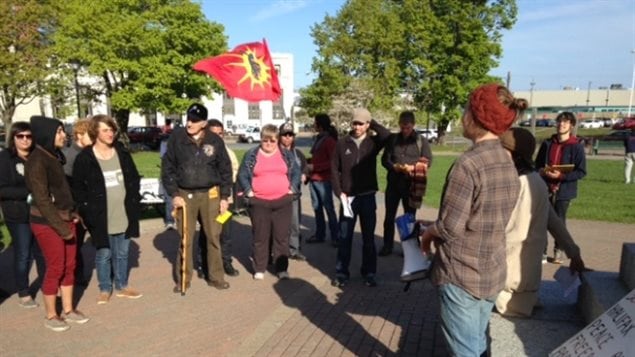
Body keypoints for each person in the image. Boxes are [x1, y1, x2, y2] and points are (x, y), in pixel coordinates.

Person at [420, 83, 524, 356]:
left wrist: (429, 232)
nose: (462, 115)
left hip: (462, 275)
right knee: (476, 343)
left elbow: (450, 228)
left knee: (465, 350)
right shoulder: (506, 159)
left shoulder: (468, 163)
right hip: (491, 270)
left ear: (476, 116)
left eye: (466, 109)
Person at [496, 127, 587, 317]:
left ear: (515, 154)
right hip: (521, 280)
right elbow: (554, 222)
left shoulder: (524, 183)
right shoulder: (535, 179)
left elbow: (516, 233)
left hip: (511, 285)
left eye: (501, 149)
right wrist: (574, 252)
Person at [25, 115, 89, 332]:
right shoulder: (36, 160)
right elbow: (42, 200)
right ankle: (51, 314)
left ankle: (69, 309)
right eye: (60, 131)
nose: (64, 135)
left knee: (70, 265)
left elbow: (63, 191)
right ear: (47, 134)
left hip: (66, 217)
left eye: (63, 130)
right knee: (55, 266)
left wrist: (74, 214)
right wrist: (61, 228)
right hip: (47, 222)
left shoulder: (55, 156)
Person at [161, 103, 232, 293]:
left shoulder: (214, 140)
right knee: (186, 238)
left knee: (213, 236)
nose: (189, 123)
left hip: (211, 194)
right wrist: (174, 195)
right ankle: (183, 279)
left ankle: (216, 277)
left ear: (204, 123)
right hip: (185, 194)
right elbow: (167, 169)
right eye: (188, 118)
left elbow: (225, 169)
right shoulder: (177, 138)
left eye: (194, 120)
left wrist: (225, 196)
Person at [72, 115, 143, 304]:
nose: (110, 133)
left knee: (122, 252)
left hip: (124, 211)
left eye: (112, 130)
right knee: (104, 253)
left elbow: (134, 178)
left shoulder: (121, 152)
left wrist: (134, 200)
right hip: (100, 215)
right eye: (105, 130)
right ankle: (105, 287)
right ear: (96, 132)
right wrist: (85, 210)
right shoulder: (85, 158)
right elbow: (78, 189)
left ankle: (122, 285)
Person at [330, 108, 391, 288]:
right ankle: (342, 272)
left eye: (361, 123)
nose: (357, 127)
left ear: (367, 125)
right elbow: (334, 168)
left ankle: (369, 272)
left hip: (367, 196)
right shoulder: (342, 143)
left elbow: (387, 136)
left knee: (368, 238)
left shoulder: (373, 143)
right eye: (355, 123)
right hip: (348, 198)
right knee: (345, 237)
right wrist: (338, 191)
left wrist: (373, 124)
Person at [237, 124, 301, 280]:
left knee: (281, 237)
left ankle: (281, 268)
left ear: (277, 140)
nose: (269, 144)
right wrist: (249, 191)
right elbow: (242, 175)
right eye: (265, 140)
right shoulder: (252, 154)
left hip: (283, 201)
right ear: (261, 139)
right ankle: (260, 267)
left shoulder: (286, 154)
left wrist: (292, 188)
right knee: (261, 236)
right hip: (259, 202)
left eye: (272, 141)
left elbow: (296, 172)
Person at [0, 122, 45, 308]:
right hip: (18, 214)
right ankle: (24, 291)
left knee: (42, 252)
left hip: (40, 212)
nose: (25, 140)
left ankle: (48, 285)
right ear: (14, 138)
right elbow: (3, 189)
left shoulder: (38, 156)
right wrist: (29, 194)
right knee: (23, 253)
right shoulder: (5, 158)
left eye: (28, 136)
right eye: (20, 136)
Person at [535, 111, 587, 264]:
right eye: (559, 121)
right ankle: (542, 251)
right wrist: (541, 171)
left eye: (565, 122)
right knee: (542, 220)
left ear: (571, 126)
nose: (561, 124)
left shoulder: (576, 146)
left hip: (563, 191)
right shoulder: (547, 143)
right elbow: (537, 165)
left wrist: (561, 176)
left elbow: (581, 171)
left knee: (559, 221)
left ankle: (559, 250)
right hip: (545, 188)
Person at [379, 111, 433, 256]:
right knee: (389, 217)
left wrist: (413, 168)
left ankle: (409, 248)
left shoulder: (421, 141)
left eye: (408, 128)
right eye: (402, 127)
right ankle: (387, 245)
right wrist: (394, 167)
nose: (405, 131)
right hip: (393, 184)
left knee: (409, 218)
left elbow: (428, 161)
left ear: (413, 125)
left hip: (411, 185)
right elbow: (385, 160)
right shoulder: (393, 139)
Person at [197, 119, 240, 277]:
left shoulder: (228, 153)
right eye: (214, 134)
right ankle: (203, 264)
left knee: (225, 233)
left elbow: (234, 173)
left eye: (220, 134)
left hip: (224, 200)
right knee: (206, 233)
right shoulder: (199, 151)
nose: (218, 137)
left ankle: (226, 261)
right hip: (206, 201)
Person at [62, 119, 93, 285]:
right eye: (90, 134)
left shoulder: (91, 152)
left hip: (90, 204)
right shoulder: (69, 156)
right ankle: (75, 275)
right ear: (79, 135)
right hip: (76, 206)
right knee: (75, 242)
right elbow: (68, 185)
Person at [305, 114, 339, 246]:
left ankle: (335, 236)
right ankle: (320, 234)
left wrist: (315, 166)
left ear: (320, 124)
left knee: (328, 208)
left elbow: (333, 162)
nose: (314, 125)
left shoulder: (329, 141)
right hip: (314, 178)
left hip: (324, 180)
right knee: (317, 208)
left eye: (315, 123)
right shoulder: (320, 139)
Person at [279, 122, 308, 261]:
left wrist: (305, 174)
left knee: (295, 223)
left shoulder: (298, 153)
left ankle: (294, 249)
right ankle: (278, 251)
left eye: (290, 135)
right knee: (278, 224)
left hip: (294, 194)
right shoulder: (275, 152)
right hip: (278, 193)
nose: (287, 138)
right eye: (284, 135)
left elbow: (305, 167)